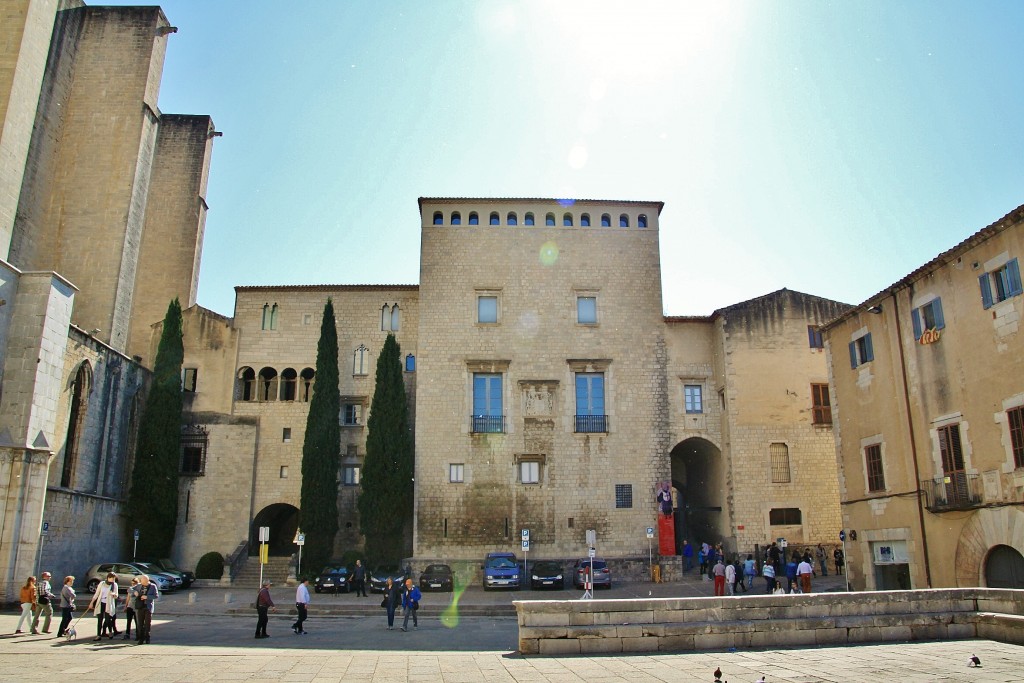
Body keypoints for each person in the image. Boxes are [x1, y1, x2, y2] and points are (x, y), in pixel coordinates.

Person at [87, 572, 119, 640]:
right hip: (101, 603)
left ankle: (110, 632)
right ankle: (98, 635)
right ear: (108, 577)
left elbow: (116, 595)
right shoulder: (102, 583)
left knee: (108, 619)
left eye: (114, 578)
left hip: (108, 603)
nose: (113, 580)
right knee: (100, 620)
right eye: (112, 578)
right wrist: (92, 602)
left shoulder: (114, 585)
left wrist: (113, 594)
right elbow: (97, 593)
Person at [134, 574, 158, 644]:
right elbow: (130, 589)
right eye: (141, 581)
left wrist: (147, 597)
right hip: (140, 606)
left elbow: (156, 596)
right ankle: (141, 639)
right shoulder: (139, 585)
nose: (142, 582)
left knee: (147, 623)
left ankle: (147, 638)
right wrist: (134, 592)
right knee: (140, 624)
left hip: (148, 607)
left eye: (143, 581)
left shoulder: (153, 586)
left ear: (147, 581)